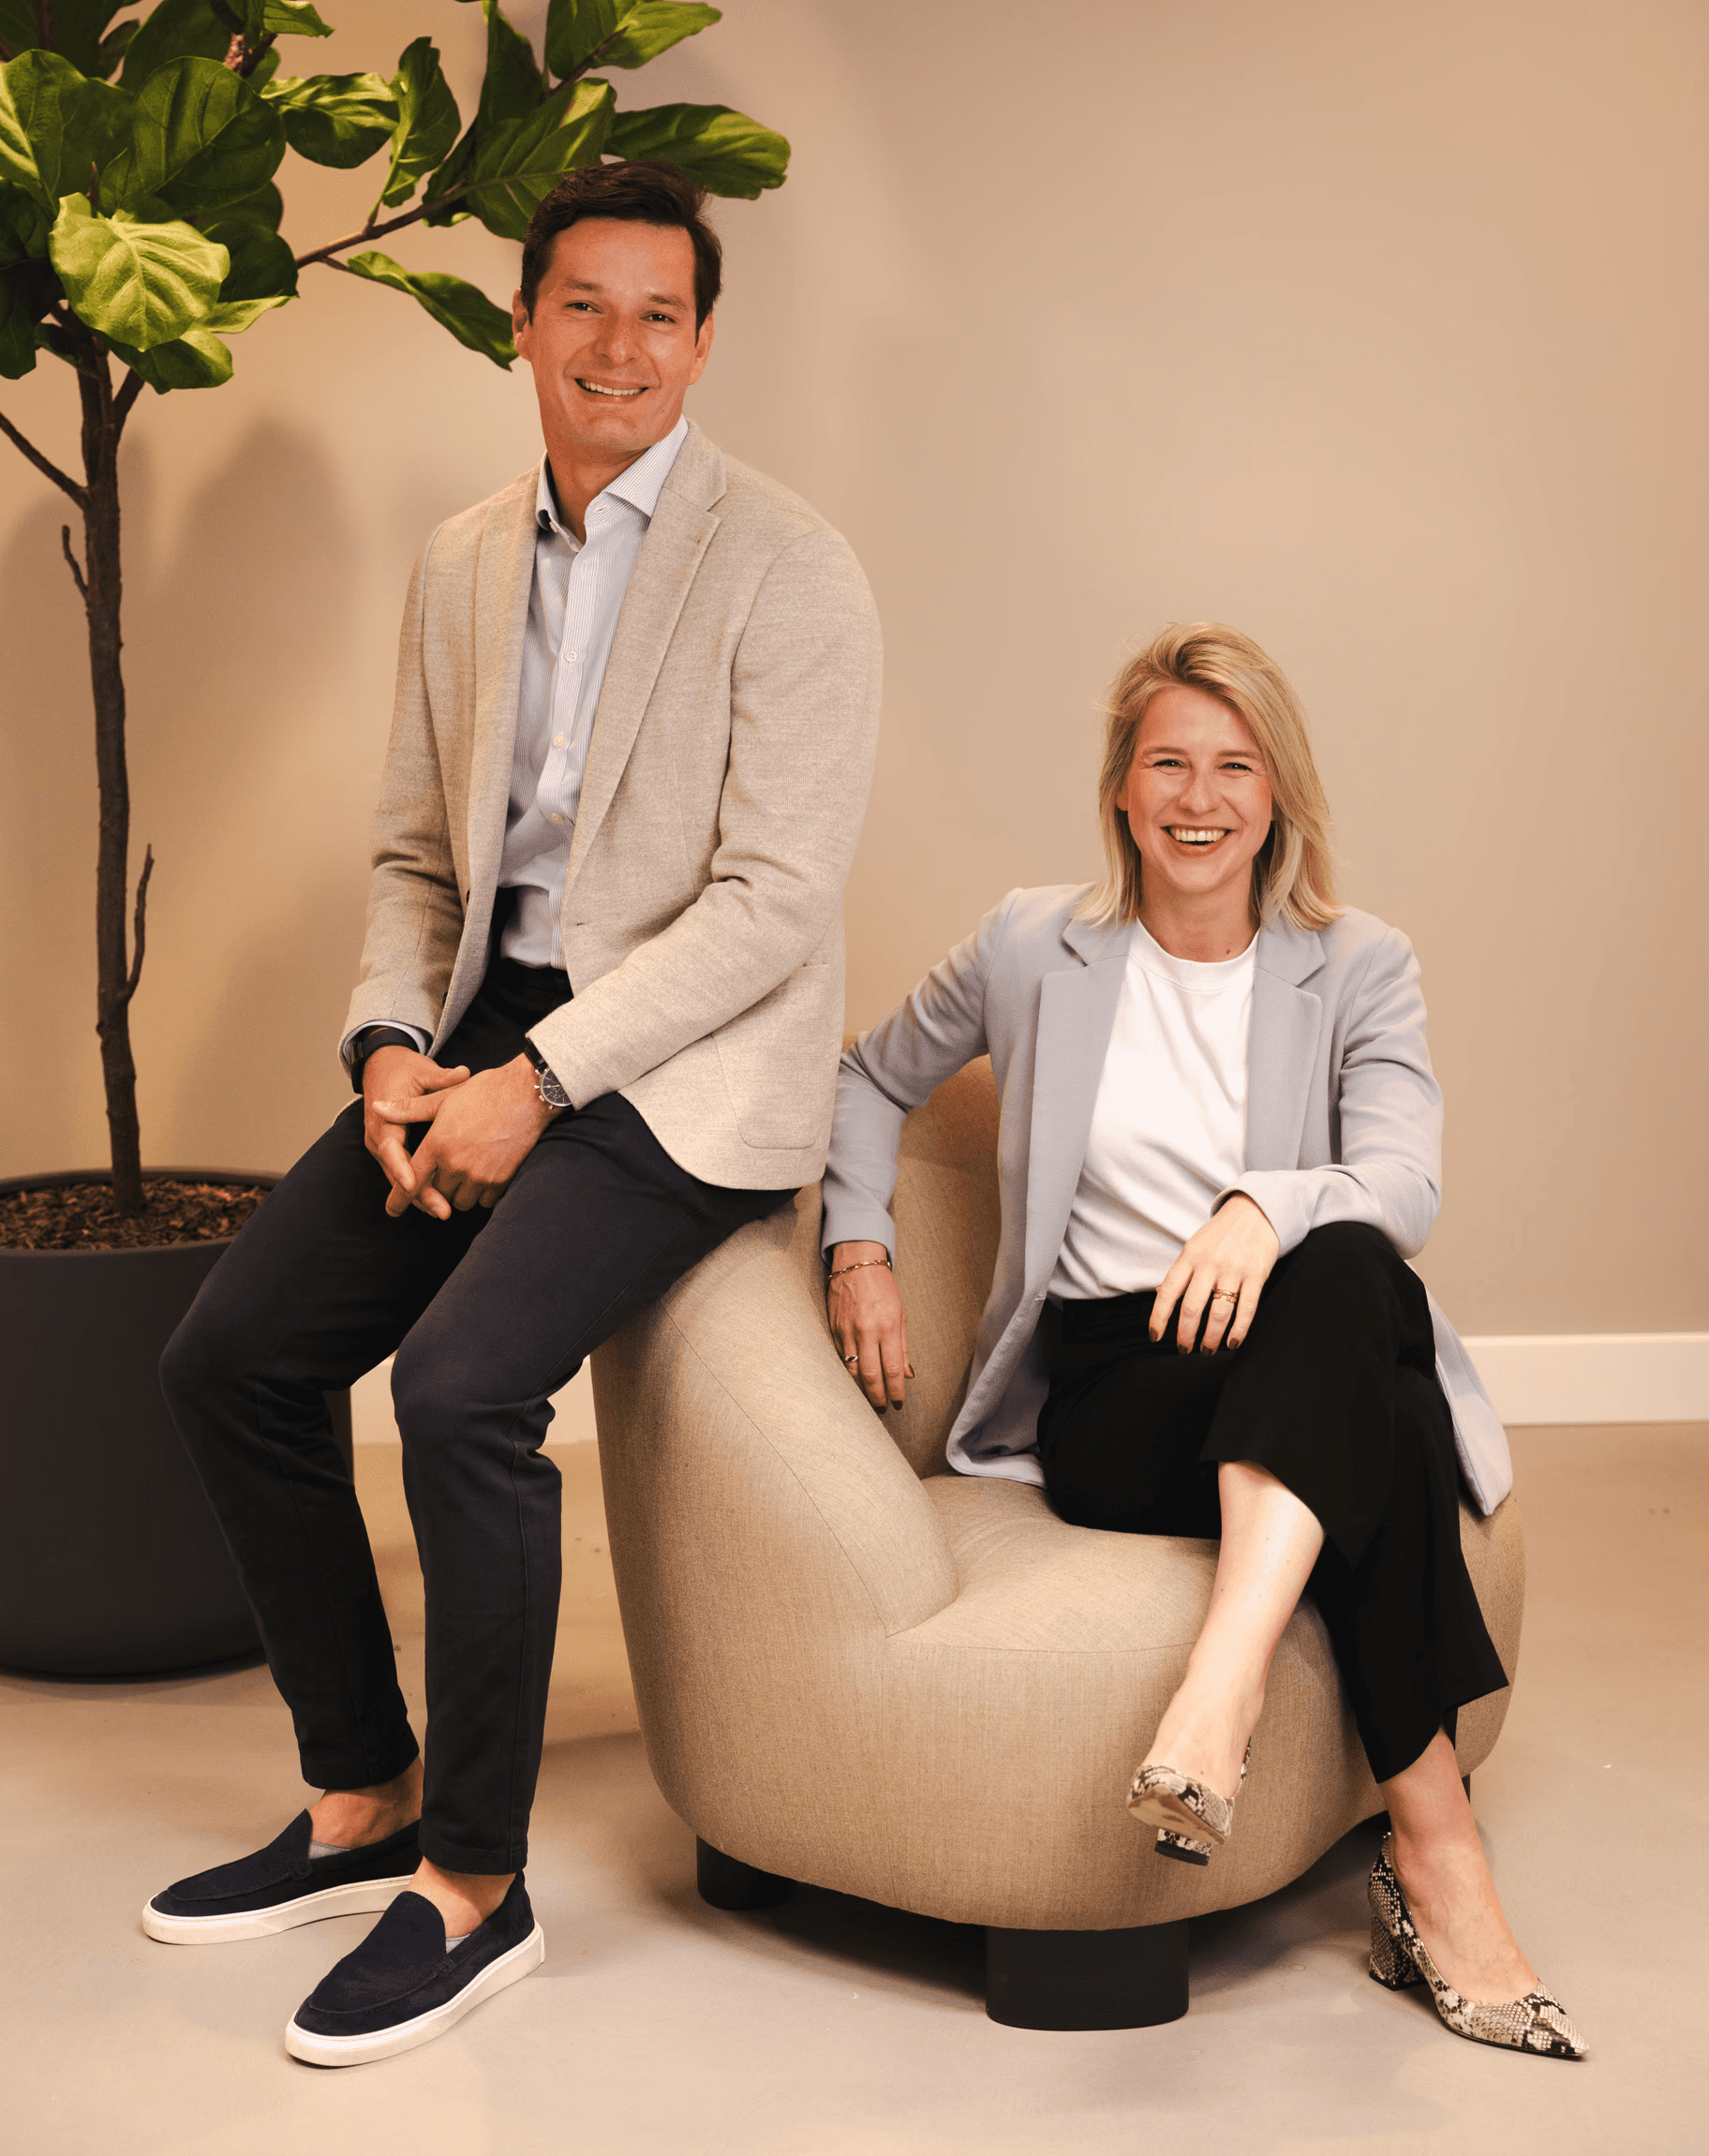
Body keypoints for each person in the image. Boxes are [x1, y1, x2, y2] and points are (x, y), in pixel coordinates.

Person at [149, 160, 882, 2067]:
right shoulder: (469, 556)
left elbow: (775, 905)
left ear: (703, 342)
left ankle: (474, 1885)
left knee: (466, 1393)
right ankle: (358, 1794)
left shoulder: (790, 564)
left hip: (682, 1074)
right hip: (481, 1031)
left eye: (660, 312)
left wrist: (543, 1084)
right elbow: (411, 851)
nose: (619, 346)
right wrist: (394, 1047)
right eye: (584, 306)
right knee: (230, 1357)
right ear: (527, 324)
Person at [821, 622, 1586, 2060]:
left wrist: (1262, 1204)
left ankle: (1216, 1699)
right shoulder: (1031, 944)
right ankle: (1442, 1867)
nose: (1200, 795)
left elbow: (1405, 1185)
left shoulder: (1358, 965)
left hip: (1296, 1339)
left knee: (1352, 1271)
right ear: (1120, 788)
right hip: (1119, 1395)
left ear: (1278, 794)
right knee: (1385, 1417)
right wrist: (858, 1246)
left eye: (1235, 765)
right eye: (1167, 760)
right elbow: (867, 1080)